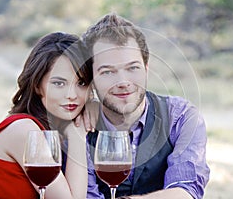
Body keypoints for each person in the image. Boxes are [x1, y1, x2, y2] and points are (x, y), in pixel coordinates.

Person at [83, 13, 210, 199]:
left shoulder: (181, 117)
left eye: (132, 68)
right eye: (108, 71)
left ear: (146, 68)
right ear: (91, 78)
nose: (123, 82)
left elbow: (186, 190)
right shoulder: (78, 125)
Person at [0, 32, 94, 199]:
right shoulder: (25, 130)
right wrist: (77, 136)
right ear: (37, 85)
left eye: (81, 83)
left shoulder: (51, 130)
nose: (72, 95)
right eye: (59, 83)